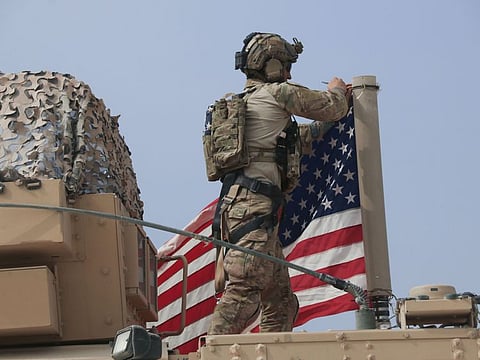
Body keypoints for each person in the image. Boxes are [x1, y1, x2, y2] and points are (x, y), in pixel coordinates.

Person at [207, 32, 351, 335]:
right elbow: (332, 107)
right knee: (245, 289)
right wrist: (339, 92)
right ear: (272, 66)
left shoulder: (248, 106)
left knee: (281, 300)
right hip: (253, 206)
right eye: (285, 65)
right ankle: (213, 351)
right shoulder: (277, 93)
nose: (288, 73)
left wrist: (325, 125)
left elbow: (296, 141)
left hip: (244, 207)